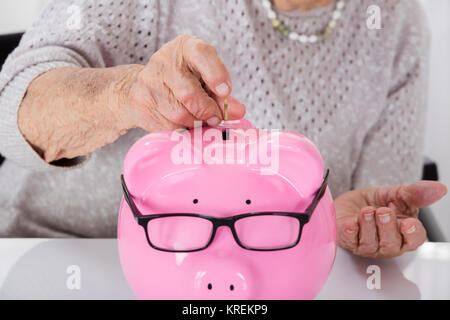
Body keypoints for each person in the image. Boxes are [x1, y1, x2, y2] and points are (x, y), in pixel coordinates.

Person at [0, 0, 446, 258]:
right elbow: (12, 113)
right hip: (59, 253)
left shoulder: (397, 22)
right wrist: (125, 93)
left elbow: (372, 203)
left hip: (266, 277)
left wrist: (339, 228)